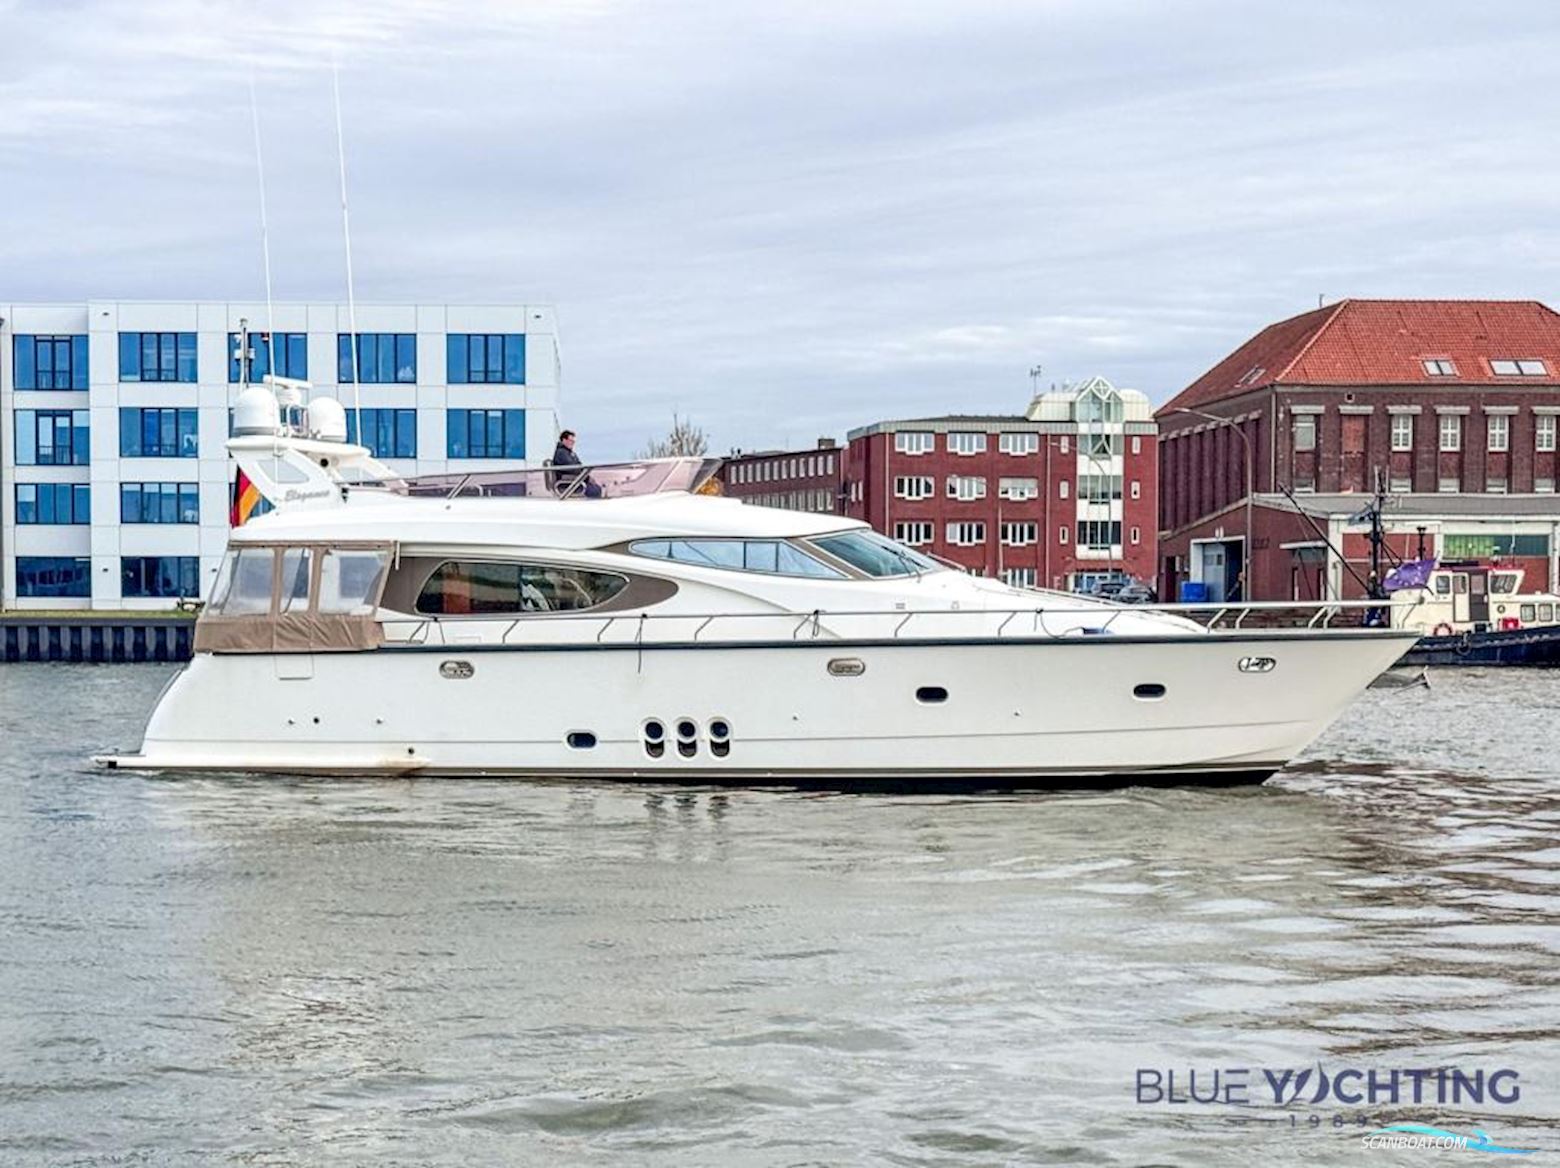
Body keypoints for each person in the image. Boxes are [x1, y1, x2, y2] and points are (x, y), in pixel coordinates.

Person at [550, 429, 602, 498]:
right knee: (595, 490)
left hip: (574, 482)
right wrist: (587, 478)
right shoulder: (561, 453)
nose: (572, 443)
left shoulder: (569, 453)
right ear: (564, 440)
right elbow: (573, 469)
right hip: (568, 484)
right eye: (570, 441)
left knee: (596, 487)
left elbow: (579, 466)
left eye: (573, 441)